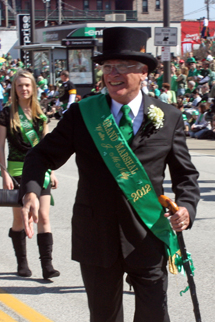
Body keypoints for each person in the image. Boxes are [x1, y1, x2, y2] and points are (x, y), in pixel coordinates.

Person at [19, 27, 200, 321]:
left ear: (143, 72)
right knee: (104, 317)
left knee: (154, 315)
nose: (112, 74)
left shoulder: (169, 118)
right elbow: (40, 155)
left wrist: (188, 209)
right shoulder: (82, 114)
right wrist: (30, 190)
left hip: (148, 233)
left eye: (123, 67)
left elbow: (186, 176)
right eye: (107, 67)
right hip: (96, 236)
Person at [0, 69, 60, 280]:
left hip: (40, 171)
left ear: (33, 88)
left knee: (43, 216)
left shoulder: (40, 115)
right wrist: (4, 173)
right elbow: (0, 147)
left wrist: (52, 172)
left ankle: (47, 265)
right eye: (20, 85)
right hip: (16, 170)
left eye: (27, 85)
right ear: (14, 88)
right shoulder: (7, 112)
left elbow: (48, 147)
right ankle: (22, 262)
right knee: (20, 219)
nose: (24, 89)